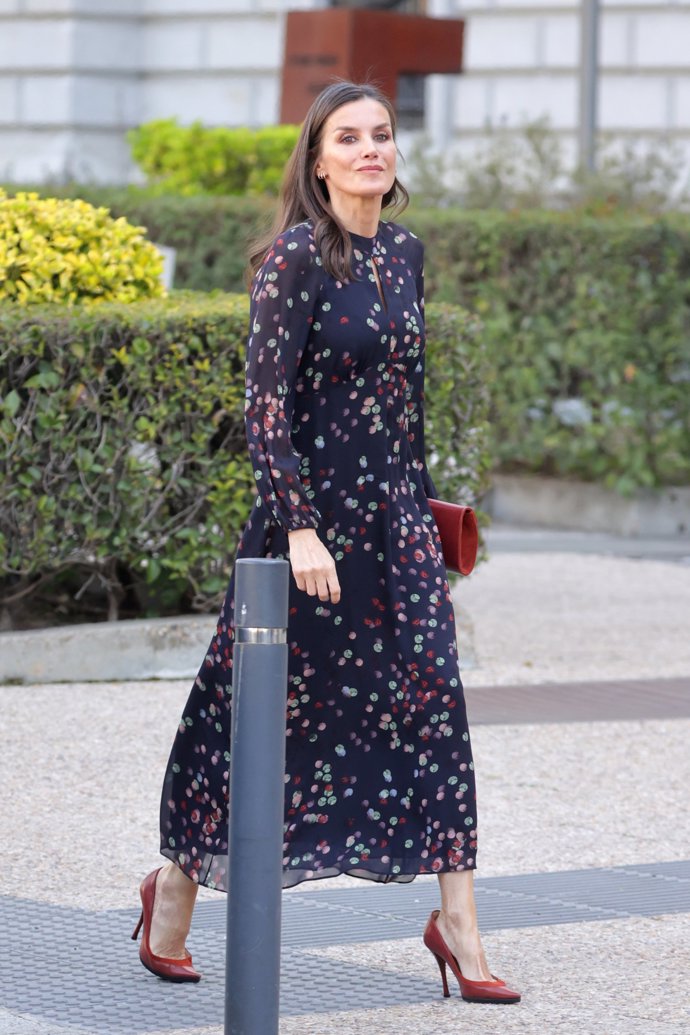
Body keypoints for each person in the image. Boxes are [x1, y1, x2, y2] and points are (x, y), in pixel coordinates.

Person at [131, 80, 520, 1005]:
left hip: (391, 528)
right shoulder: (295, 259)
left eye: (382, 134)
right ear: (317, 159)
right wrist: (299, 525)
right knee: (250, 722)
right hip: (303, 534)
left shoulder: (408, 252)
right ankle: (175, 887)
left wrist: (425, 522)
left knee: (432, 704)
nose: (370, 150)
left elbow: (406, 404)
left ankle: (457, 923)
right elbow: (265, 412)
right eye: (349, 137)